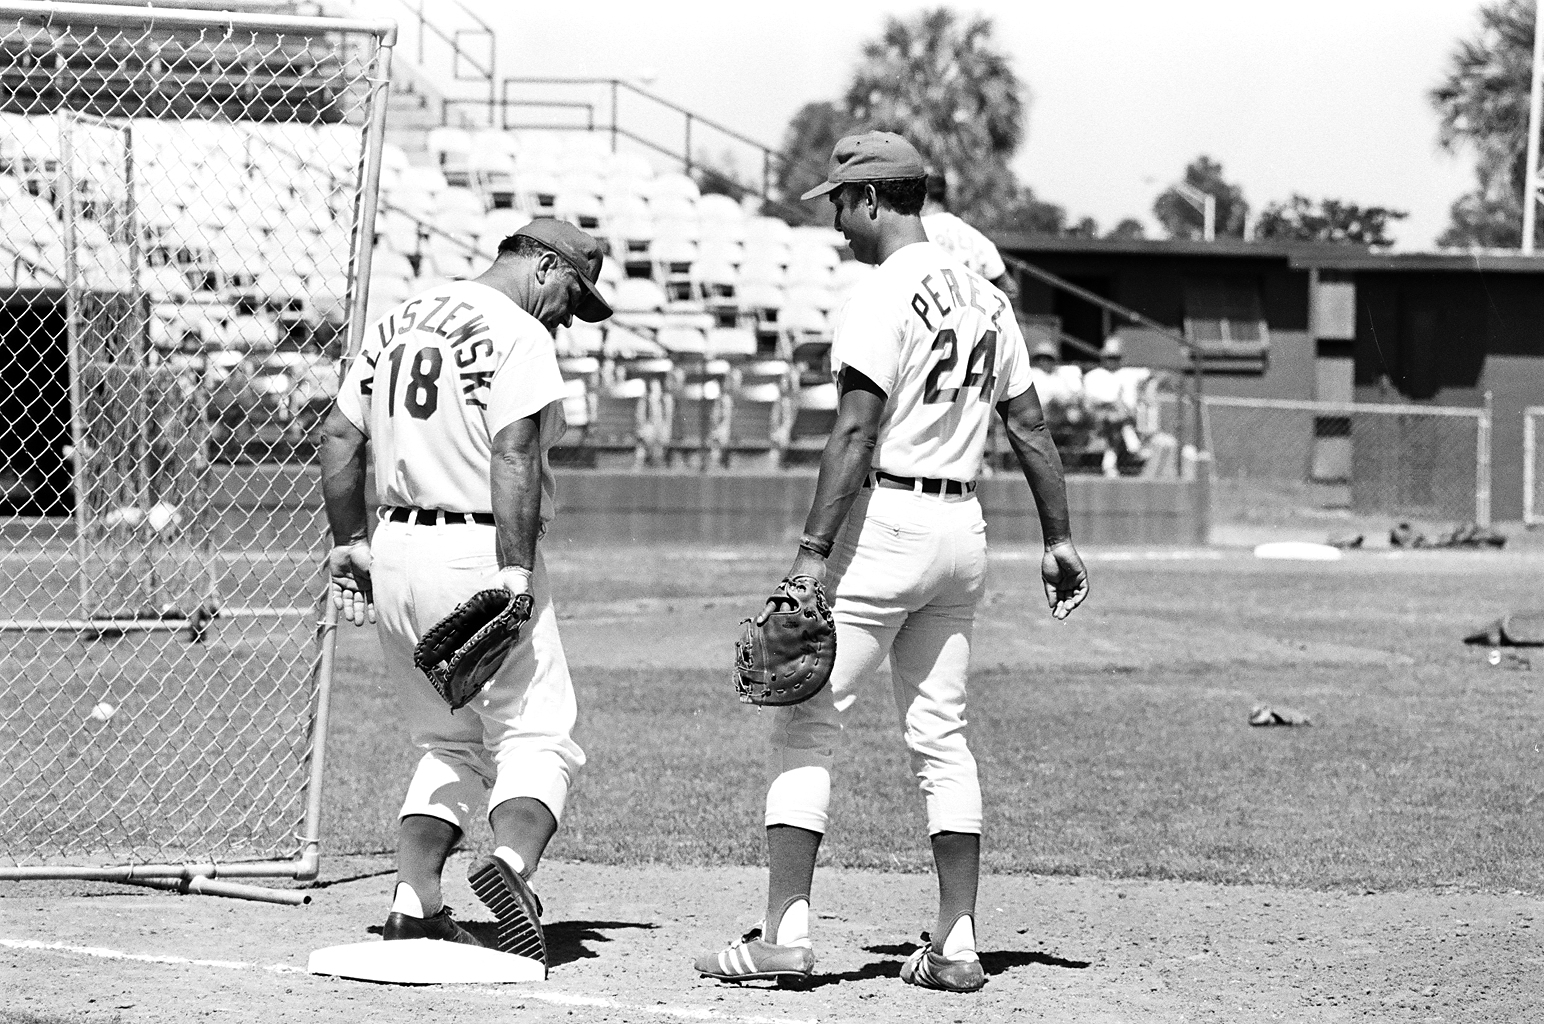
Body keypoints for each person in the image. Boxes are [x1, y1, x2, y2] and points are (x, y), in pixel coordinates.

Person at [693, 131, 1089, 993]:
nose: (834, 216)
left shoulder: (882, 291)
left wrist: (809, 557)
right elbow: (1028, 428)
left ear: (873, 199)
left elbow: (854, 431)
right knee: (940, 736)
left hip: (889, 524)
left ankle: (784, 936)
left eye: (840, 199)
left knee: (805, 719)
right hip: (964, 530)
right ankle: (956, 945)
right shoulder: (987, 297)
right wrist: (1057, 539)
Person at [318, 218, 612, 967]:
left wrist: (351, 542)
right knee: (540, 731)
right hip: (478, 548)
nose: (569, 317)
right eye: (572, 295)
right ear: (544, 265)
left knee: (446, 737)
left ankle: (412, 904)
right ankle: (511, 866)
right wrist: (514, 573)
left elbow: (340, 438)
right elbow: (514, 449)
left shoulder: (400, 318)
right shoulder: (518, 332)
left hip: (395, 549)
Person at [920, 173, 1019, 302]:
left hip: (934, 313)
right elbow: (1010, 289)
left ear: (924, 196)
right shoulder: (974, 236)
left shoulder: (918, 232)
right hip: (970, 314)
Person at [1080, 337, 1148, 477]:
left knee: (1117, 422)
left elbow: (1156, 376)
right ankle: (1134, 447)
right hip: (1100, 415)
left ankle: (1109, 466)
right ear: (1103, 358)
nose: (1112, 361)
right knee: (1117, 419)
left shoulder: (1129, 373)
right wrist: (1112, 404)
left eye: (1115, 357)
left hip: (1123, 415)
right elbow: (1089, 403)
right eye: (1109, 357)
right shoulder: (1093, 375)